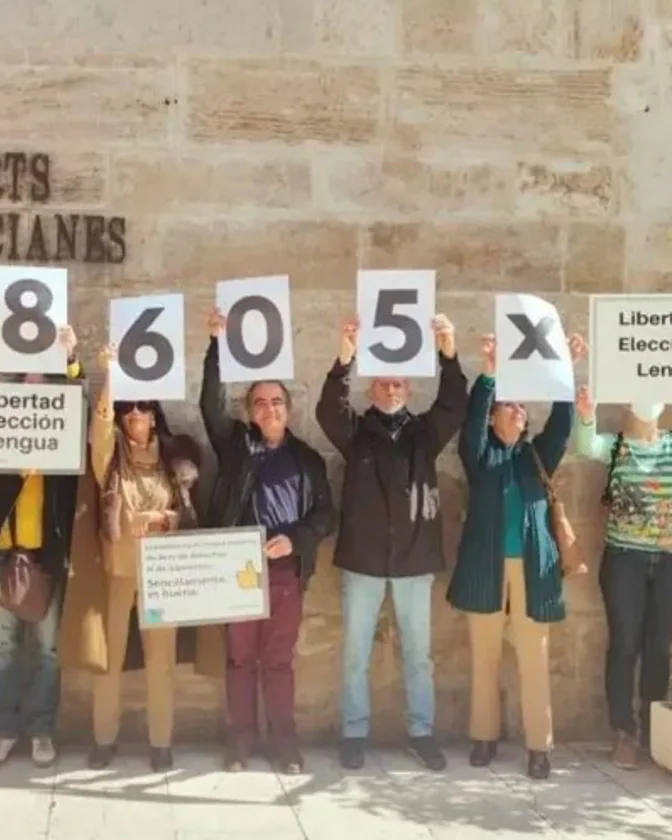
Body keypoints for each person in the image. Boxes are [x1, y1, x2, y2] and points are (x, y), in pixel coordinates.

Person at [315, 313, 468, 771]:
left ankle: (422, 731)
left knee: (418, 656)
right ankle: (354, 732)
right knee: (354, 654)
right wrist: (344, 357)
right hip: (363, 560)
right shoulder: (357, 432)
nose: (391, 389)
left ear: (408, 389)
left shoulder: (424, 432)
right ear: (371, 389)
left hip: (414, 558)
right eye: (382, 383)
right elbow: (327, 411)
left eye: (398, 383)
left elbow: (455, 405)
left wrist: (448, 350)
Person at [65, 343, 218, 773]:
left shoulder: (174, 460)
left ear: (155, 415)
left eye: (143, 407)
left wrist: (161, 518)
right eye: (129, 408)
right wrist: (111, 373)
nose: (135, 414)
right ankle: (104, 739)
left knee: (161, 662)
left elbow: (186, 514)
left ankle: (160, 742)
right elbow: (99, 427)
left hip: (163, 575)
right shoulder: (111, 459)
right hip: (118, 571)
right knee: (109, 659)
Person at [199, 307, 336, 773]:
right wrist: (216, 345)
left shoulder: (308, 459)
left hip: (285, 574)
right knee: (240, 660)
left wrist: (295, 540)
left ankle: (284, 744)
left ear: (288, 409)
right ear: (249, 412)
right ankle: (239, 743)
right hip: (239, 570)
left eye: (276, 402)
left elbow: (325, 515)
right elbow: (209, 408)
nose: (269, 409)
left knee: (277, 661)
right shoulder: (237, 446)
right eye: (259, 403)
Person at [448, 333, 583, 780]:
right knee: (484, 657)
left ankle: (538, 747)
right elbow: (470, 424)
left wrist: (564, 369)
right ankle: (483, 738)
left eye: (523, 406)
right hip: (486, 570)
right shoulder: (480, 453)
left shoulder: (534, 457)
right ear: (495, 417)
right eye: (510, 404)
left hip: (532, 571)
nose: (518, 410)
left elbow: (562, 426)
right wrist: (489, 373)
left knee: (533, 658)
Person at [0, 326, 84, 768]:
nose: (33, 385)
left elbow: (81, 399)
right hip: (3, 553)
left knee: (48, 648)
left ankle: (42, 730)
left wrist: (71, 358)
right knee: (5, 648)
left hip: (44, 554)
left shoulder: (65, 402)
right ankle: (3, 729)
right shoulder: (3, 396)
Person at [574, 375, 672, 770]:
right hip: (624, 560)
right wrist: (585, 415)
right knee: (625, 645)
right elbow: (585, 445)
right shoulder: (614, 446)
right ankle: (623, 733)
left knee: (659, 648)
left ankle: (653, 731)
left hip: (667, 561)